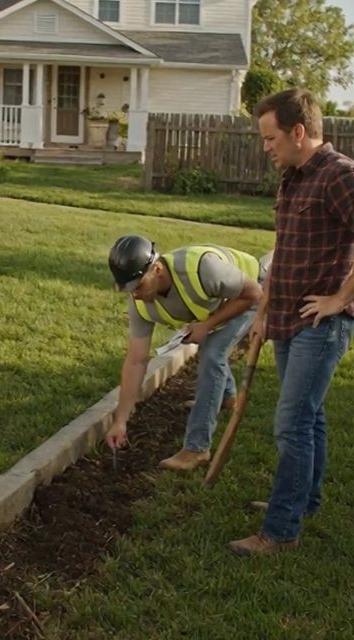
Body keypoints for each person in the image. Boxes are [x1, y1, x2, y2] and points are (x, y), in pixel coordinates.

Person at [227, 89, 354, 556]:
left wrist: (340, 299)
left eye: (270, 137)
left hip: (320, 326)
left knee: (291, 423)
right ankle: (304, 502)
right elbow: (283, 251)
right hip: (284, 318)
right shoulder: (293, 178)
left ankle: (281, 531)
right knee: (309, 417)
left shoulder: (340, 175)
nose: (265, 147)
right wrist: (262, 314)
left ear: (298, 131)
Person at [106, 235, 265, 470]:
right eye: (128, 289)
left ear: (157, 269)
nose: (135, 294)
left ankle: (197, 448)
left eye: (138, 286)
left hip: (252, 291)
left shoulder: (202, 269)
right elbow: (136, 360)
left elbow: (254, 293)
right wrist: (120, 419)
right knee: (210, 348)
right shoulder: (139, 303)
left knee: (212, 354)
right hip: (220, 300)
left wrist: (207, 325)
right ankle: (227, 397)